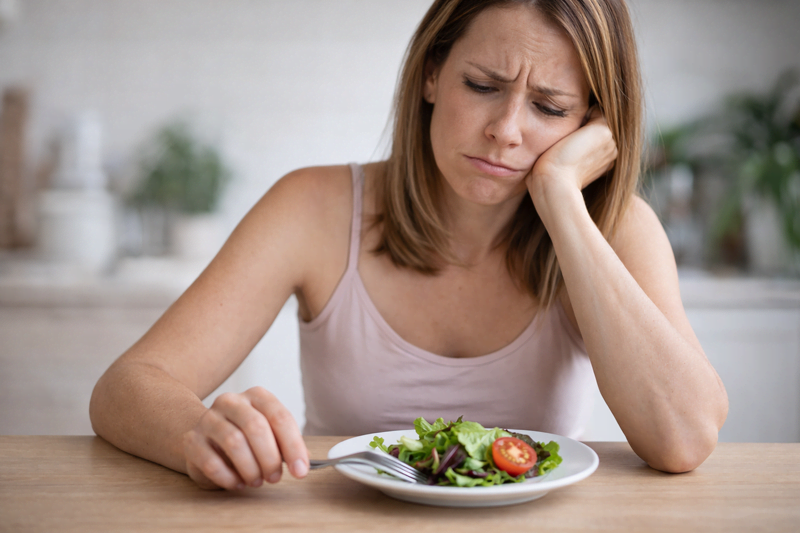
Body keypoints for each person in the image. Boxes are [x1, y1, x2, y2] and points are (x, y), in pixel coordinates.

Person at [90, 0, 729, 491]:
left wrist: (561, 199)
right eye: (482, 86)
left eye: (549, 107)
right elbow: (125, 388)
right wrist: (198, 432)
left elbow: (684, 438)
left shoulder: (615, 228)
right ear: (431, 74)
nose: (506, 131)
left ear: (592, 122)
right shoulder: (312, 208)